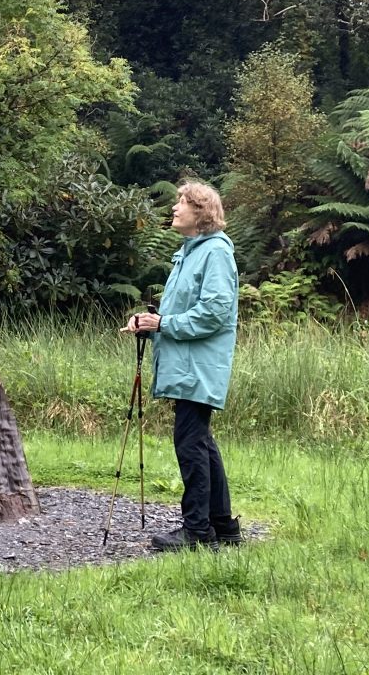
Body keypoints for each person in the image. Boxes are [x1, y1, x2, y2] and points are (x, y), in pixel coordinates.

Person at [125, 181, 241, 551]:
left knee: (190, 443)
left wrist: (165, 325)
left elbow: (214, 313)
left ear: (202, 213)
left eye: (183, 202)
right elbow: (179, 314)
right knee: (201, 442)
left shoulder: (215, 253)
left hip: (199, 366)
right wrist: (150, 323)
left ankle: (197, 532)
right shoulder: (189, 253)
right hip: (187, 365)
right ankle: (222, 527)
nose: (175, 208)